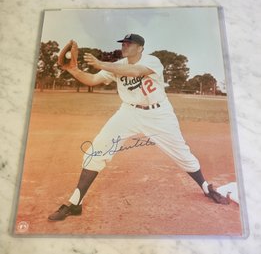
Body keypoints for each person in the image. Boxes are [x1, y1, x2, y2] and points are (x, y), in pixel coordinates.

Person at [48, 34, 229, 221]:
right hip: (129, 112)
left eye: (129, 43)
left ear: (140, 48)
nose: (124, 46)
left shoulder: (152, 61)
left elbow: (134, 71)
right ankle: (75, 203)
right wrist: (74, 70)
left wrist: (101, 64)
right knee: (97, 150)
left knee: (182, 153)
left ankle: (206, 187)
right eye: (123, 43)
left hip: (159, 114)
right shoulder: (118, 64)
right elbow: (93, 80)